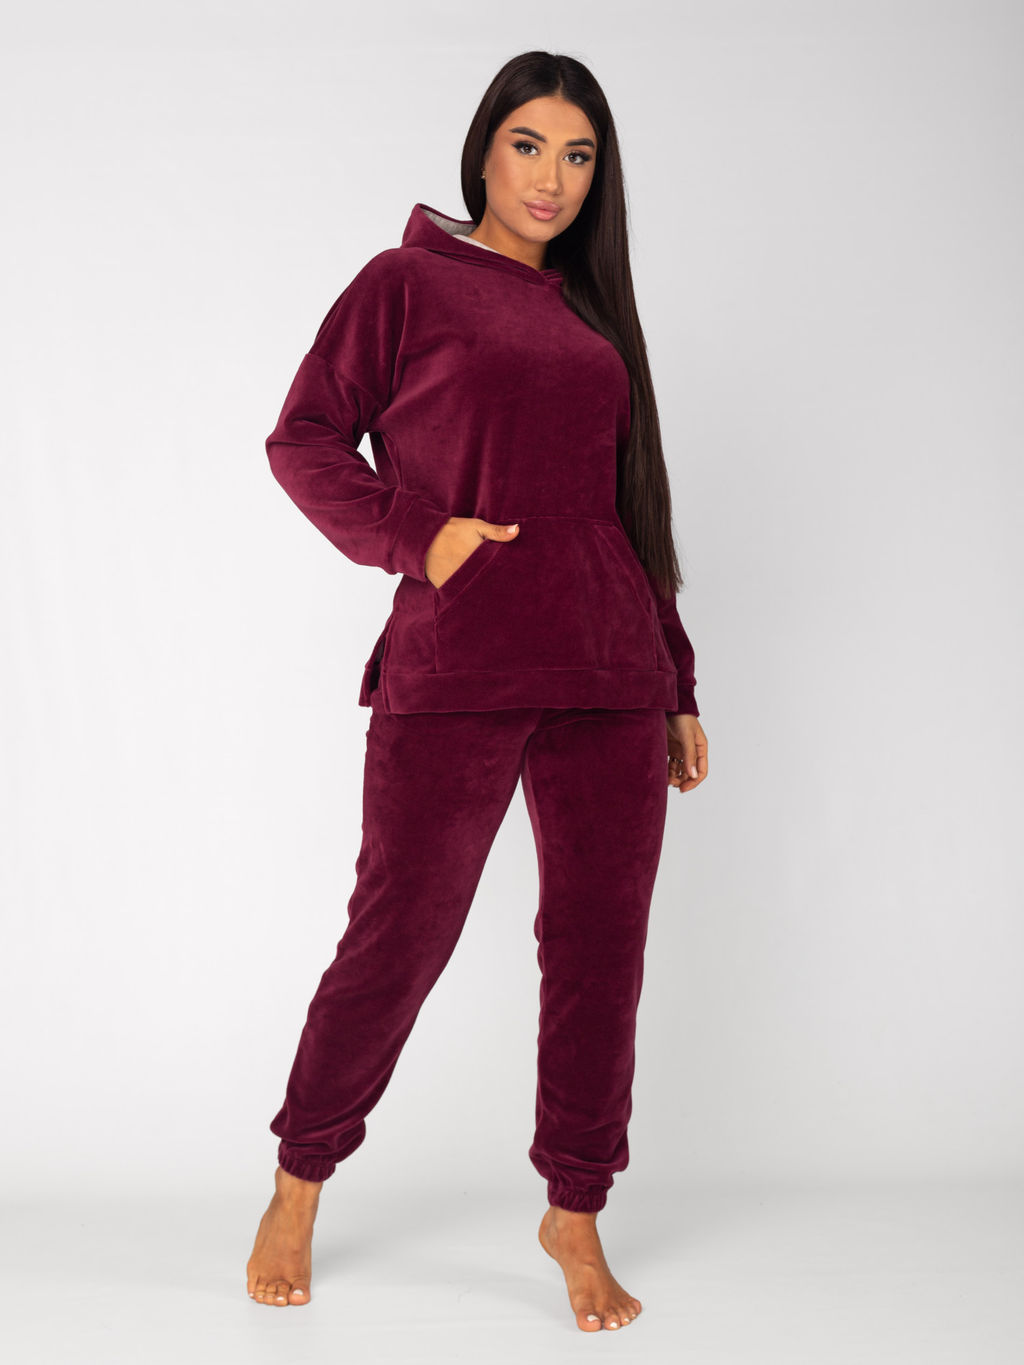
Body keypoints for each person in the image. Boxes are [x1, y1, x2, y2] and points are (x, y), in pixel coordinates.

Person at [246, 49, 709, 1333]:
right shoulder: (403, 284)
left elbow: (631, 514)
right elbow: (302, 438)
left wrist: (674, 679)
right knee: (400, 934)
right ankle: (298, 1179)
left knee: (600, 951)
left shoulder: (594, 318)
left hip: (608, 672)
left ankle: (576, 1210)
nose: (552, 177)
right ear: (483, 150)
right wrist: (420, 536)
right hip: (456, 667)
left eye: (579, 155)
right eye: (528, 145)